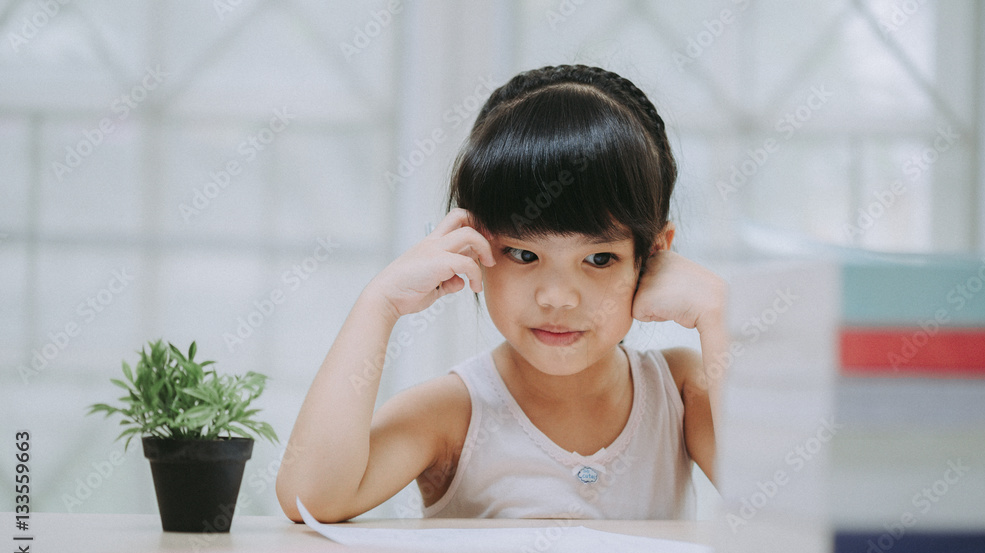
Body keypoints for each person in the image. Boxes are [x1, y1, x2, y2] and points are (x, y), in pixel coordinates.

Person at [275, 64, 727, 523]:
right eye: (524, 255)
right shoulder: (454, 413)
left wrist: (719, 314)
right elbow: (310, 500)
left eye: (599, 259)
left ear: (651, 257)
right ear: (474, 245)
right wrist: (379, 304)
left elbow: (783, 506)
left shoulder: (681, 389)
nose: (557, 298)